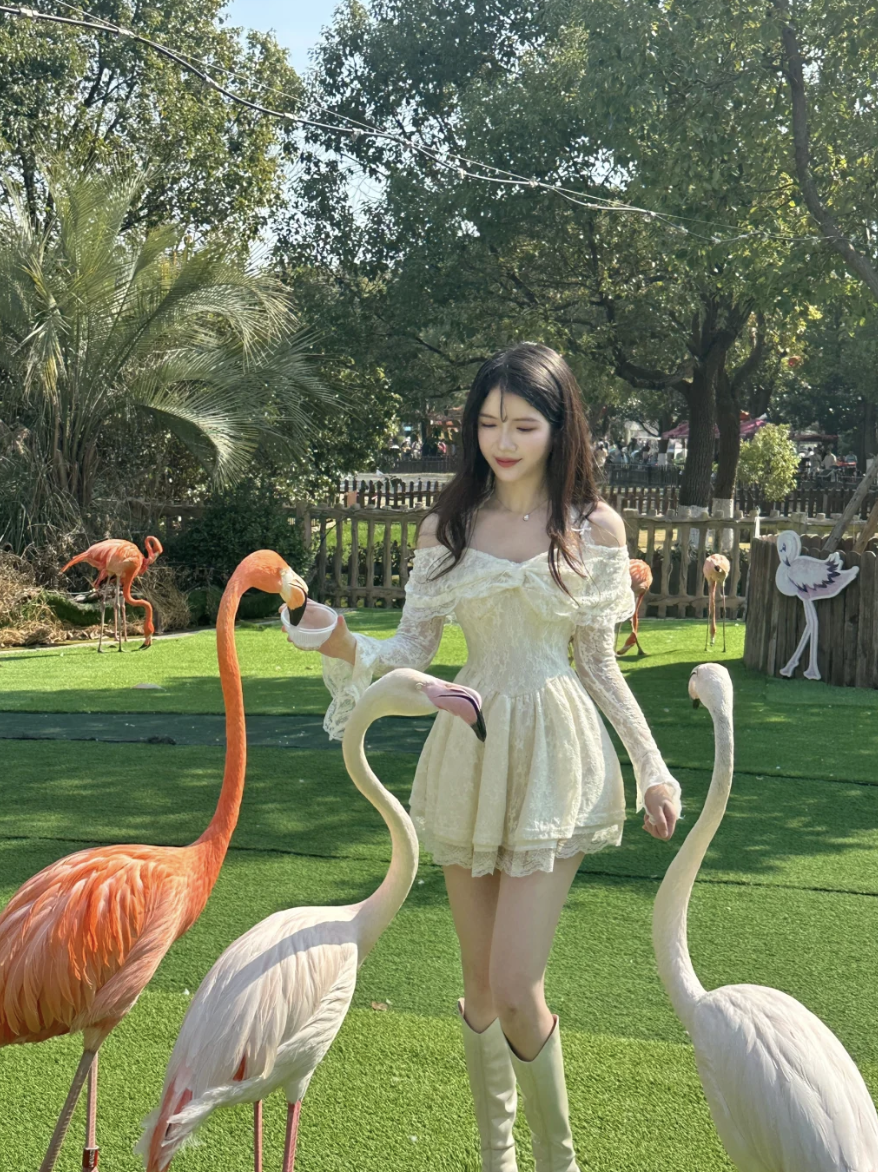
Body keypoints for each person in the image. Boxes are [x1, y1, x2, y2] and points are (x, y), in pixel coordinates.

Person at [285, 343, 680, 1172]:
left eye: (523, 425)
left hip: (556, 756)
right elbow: (411, 652)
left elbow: (598, 663)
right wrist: (340, 639)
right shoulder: (449, 527)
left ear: (560, 427)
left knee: (516, 986)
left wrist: (652, 767)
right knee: (477, 990)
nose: (503, 441)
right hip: (469, 748)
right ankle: (498, 1160)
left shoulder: (595, 528)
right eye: (490, 423)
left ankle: (558, 1163)